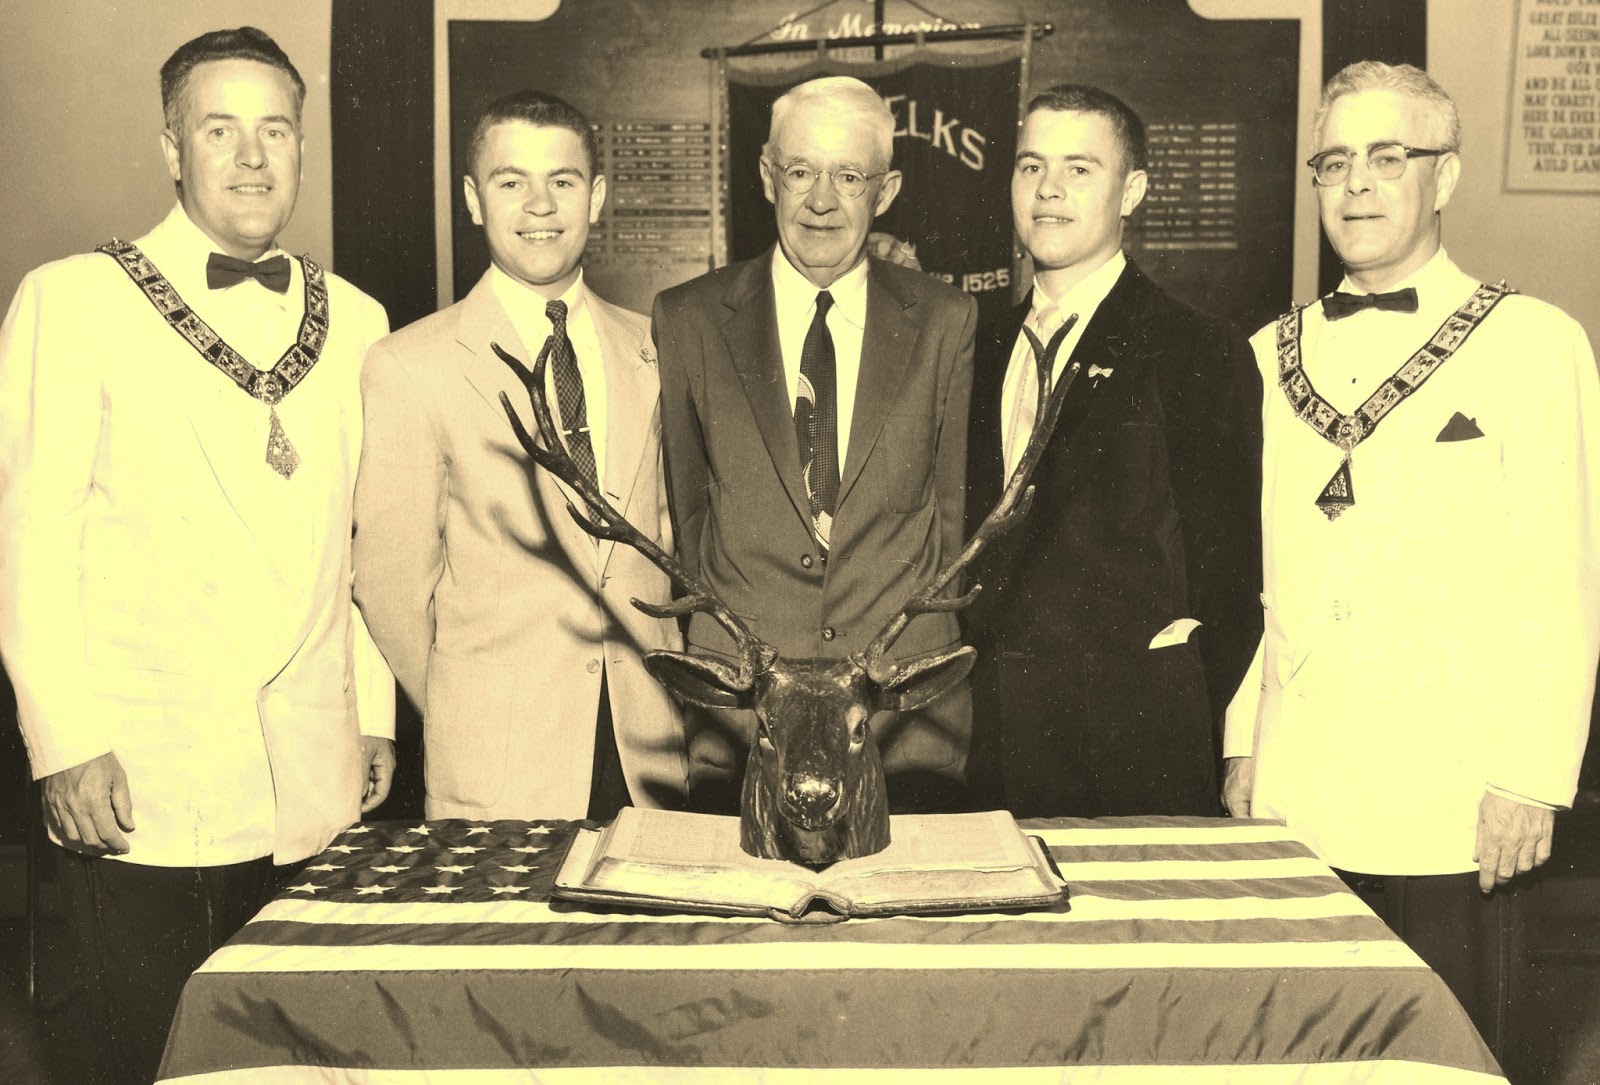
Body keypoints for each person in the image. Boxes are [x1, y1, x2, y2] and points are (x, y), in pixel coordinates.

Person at [0, 27, 395, 1084]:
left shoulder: (360, 320)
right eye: (220, 130)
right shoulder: (71, 299)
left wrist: (371, 713)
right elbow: (29, 541)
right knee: (148, 1059)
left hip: (311, 781)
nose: (253, 157)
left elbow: (364, 542)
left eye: (277, 130)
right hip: (143, 781)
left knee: (300, 1066)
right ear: (172, 148)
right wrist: (64, 741)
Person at [1223, 60, 1600, 1055]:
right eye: (1334, 161)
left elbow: (1562, 578)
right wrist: (1241, 740)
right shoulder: (1264, 354)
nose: (1356, 184)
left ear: (1446, 177)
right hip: (1300, 791)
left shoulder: (1532, 343)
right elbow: (1256, 577)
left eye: (1389, 157)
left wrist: (1531, 777)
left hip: (1452, 803)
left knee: (1448, 1061)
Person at [353, 91, 687, 820]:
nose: (540, 205)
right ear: (474, 201)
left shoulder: (657, 346)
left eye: (562, 180)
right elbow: (389, 586)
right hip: (498, 764)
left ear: (597, 196)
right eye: (512, 182)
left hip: (650, 756)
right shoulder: (411, 364)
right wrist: (469, 700)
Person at [653, 76, 977, 812]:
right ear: (768, 177)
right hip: (746, 716)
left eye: (849, 176)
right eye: (800, 171)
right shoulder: (688, 318)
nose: (821, 201)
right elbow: (690, 518)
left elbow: (951, 521)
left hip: (901, 714)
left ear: (886, 191)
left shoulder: (946, 321)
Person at [962, 84, 1263, 819]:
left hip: (1134, 749)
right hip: (988, 742)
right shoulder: (976, 345)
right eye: (1031, 166)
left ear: (1132, 192)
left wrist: (1178, 715)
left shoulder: (1197, 347)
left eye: (1079, 168)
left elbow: (1231, 573)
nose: (1049, 189)